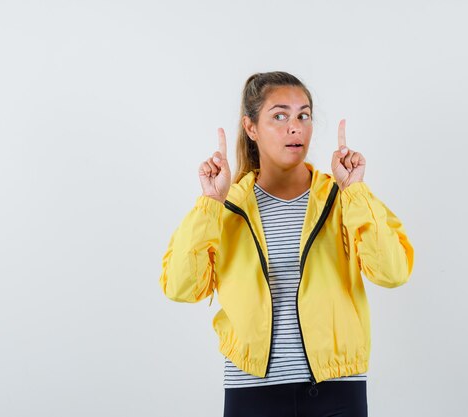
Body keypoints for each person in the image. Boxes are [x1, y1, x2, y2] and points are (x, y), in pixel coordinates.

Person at [159, 71, 415, 417]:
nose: (294, 127)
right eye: (279, 116)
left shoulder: (341, 198)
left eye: (303, 115)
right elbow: (180, 288)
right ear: (251, 128)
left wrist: (354, 190)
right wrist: (210, 203)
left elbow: (392, 271)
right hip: (251, 391)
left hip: (338, 389)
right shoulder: (226, 206)